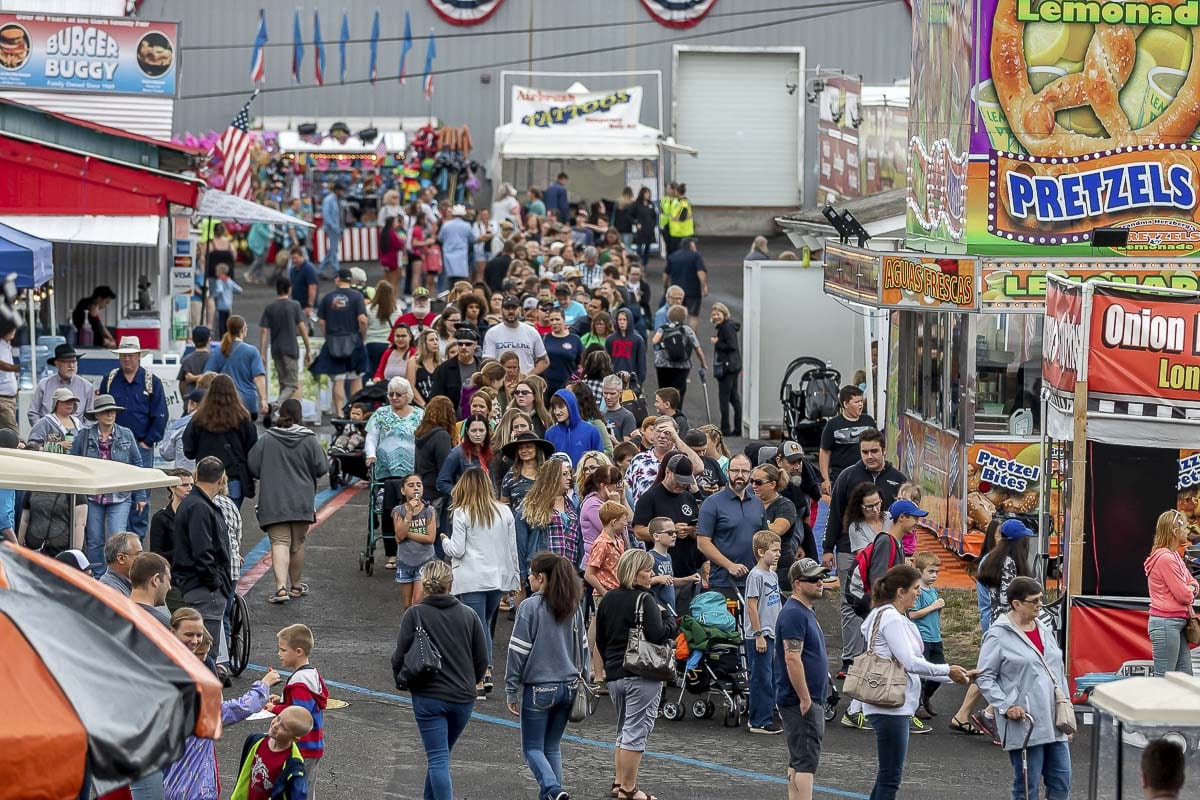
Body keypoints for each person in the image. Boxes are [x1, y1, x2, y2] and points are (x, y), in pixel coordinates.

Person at [861, 565, 969, 800]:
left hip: (888, 704)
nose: (919, 593)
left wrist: (952, 676)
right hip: (891, 706)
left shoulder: (884, 615)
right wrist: (948, 670)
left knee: (887, 776)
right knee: (890, 778)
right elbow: (910, 662)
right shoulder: (893, 620)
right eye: (916, 588)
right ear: (901, 591)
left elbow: (915, 663)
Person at [392, 560, 488, 800]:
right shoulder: (469, 615)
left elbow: (399, 655)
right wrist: (471, 681)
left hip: (428, 695)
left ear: (424, 585)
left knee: (437, 757)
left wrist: (402, 680)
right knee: (441, 755)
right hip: (463, 697)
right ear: (451, 583)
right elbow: (482, 658)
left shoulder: (414, 614)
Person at [163, 608, 282, 800]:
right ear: (172, 632)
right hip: (191, 785)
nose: (194, 640)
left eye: (198, 635)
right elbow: (229, 711)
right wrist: (264, 685)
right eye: (188, 634)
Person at [976, 577, 1072, 800]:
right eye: (1035, 601)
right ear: (1017, 604)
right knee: (1027, 788)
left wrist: (1066, 709)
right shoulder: (998, 634)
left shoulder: (1043, 627)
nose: (1040, 605)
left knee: (1061, 783)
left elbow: (1057, 670)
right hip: (1026, 721)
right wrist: (1006, 705)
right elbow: (985, 677)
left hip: (1054, 718)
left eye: (1041, 599)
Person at [505, 551, 588, 800]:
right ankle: (554, 793)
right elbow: (582, 647)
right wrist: (584, 679)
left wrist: (511, 688)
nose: (528, 579)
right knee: (552, 747)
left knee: (532, 748)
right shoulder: (574, 606)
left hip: (540, 688)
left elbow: (517, 651)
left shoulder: (530, 607)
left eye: (531, 574)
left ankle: (553, 789)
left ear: (540, 577)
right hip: (570, 685)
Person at [595, 548, 677, 800]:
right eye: (648, 569)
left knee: (623, 730)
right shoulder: (646, 599)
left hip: (616, 673)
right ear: (635, 571)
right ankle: (629, 790)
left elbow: (600, 638)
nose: (651, 574)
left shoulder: (608, 599)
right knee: (635, 732)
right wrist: (671, 622)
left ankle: (619, 783)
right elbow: (658, 634)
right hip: (641, 672)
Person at [440, 467, 520, 697]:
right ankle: (484, 670)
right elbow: (512, 547)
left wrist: (444, 540)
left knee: (478, 626)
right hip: (498, 578)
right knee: (483, 623)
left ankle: (483, 673)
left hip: (472, 578)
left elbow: (457, 549)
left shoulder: (462, 513)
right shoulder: (504, 511)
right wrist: (514, 578)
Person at [248, 399, 328, 604]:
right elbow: (321, 467)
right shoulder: (309, 439)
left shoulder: (267, 438)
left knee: (279, 542)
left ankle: (280, 588)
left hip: (274, 500)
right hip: (302, 500)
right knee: (298, 544)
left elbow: (253, 465)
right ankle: (296, 585)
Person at [98, 336, 168, 537]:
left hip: (140, 444)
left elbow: (161, 414)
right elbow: (102, 409)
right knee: (113, 491)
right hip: (112, 445)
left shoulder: (151, 381)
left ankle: (136, 538)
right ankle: (117, 536)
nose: (127, 359)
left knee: (141, 493)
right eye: (124, 356)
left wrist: (147, 442)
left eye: (131, 355)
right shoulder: (110, 380)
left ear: (138, 356)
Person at [776, 557, 832, 800]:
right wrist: (805, 698)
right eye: (814, 579)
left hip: (803, 697)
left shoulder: (803, 611)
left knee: (798, 758)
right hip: (801, 699)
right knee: (806, 762)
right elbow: (792, 658)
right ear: (797, 584)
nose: (821, 582)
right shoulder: (795, 614)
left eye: (821, 577)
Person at [171, 457, 233, 674]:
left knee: (199, 650)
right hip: (204, 588)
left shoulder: (192, 504)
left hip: (196, 585)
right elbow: (203, 551)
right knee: (205, 651)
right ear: (221, 479)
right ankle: (209, 703)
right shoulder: (200, 507)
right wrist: (216, 582)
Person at [70, 395, 146, 570]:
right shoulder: (84, 434)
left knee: (117, 540)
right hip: (92, 494)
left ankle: (116, 576)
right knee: (94, 540)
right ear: (96, 415)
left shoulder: (126, 433)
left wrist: (140, 495)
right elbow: (73, 462)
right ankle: (97, 577)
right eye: (105, 411)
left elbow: (137, 464)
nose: (109, 414)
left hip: (120, 494)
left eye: (112, 411)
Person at [822, 429, 907, 583]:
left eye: (874, 451)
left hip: (886, 552)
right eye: (864, 452)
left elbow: (905, 520)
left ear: (884, 450)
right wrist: (828, 549)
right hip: (848, 550)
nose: (869, 456)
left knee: (883, 597)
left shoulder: (898, 479)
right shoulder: (847, 476)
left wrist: (906, 551)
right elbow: (834, 513)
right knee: (849, 602)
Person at [267, 623, 330, 794]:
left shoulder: (299, 683)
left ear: (299, 652)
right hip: (313, 744)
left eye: (283, 650)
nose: (279, 654)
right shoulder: (310, 674)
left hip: (304, 746)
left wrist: (275, 709)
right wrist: (281, 701)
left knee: (299, 792)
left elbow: (298, 714)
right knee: (305, 788)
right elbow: (303, 703)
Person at [697, 454, 765, 594]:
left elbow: (765, 539)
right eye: (735, 471)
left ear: (750, 474)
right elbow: (702, 543)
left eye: (745, 471)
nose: (739, 475)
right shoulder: (712, 503)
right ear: (727, 472)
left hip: (755, 581)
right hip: (724, 582)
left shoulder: (757, 503)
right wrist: (729, 565)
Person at [1145, 509, 1199, 675]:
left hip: (1173, 624)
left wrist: (1191, 588)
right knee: (1165, 679)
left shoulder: (1173, 556)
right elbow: (1184, 595)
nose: (1187, 531)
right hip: (1167, 623)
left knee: (1183, 677)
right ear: (1175, 531)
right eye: (1184, 528)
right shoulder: (1166, 558)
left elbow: (1193, 583)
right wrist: (1191, 589)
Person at [310, 268, 369, 417]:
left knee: (339, 379)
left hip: (333, 342)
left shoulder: (328, 297)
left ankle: (339, 413)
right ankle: (356, 412)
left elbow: (321, 322)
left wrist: (327, 336)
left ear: (337, 279)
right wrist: (363, 335)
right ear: (350, 280)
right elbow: (362, 319)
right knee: (356, 378)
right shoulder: (357, 296)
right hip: (354, 340)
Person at [745, 530, 784, 735]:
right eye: (774, 550)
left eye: (779, 550)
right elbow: (752, 606)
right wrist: (758, 634)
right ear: (761, 552)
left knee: (770, 677)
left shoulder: (772, 575)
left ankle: (766, 714)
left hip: (772, 634)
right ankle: (759, 720)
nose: (778, 554)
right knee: (761, 678)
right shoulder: (756, 576)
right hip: (759, 636)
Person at [229, 706, 314, 800]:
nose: (275, 725)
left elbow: (298, 795)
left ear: (294, 739)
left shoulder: (294, 765)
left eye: (283, 727)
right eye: (278, 718)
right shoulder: (256, 740)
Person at [204, 317, 269, 421]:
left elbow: (207, 375)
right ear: (243, 330)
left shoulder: (218, 351)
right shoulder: (252, 351)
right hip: (248, 403)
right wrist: (264, 400)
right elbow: (259, 377)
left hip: (224, 401)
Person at [390, 473, 438, 612]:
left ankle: (419, 630)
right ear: (403, 490)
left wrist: (406, 533)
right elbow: (399, 536)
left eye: (419, 485)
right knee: (407, 605)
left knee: (417, 602)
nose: (416, 488)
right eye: (411, 485)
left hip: (425, 560)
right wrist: (410, 512)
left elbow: (430, 538)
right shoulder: (398, 511)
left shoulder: (430, 511)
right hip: (405, 561)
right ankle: (410, 629)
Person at [820, 385, 879, 496]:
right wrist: (825, 479)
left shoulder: (869, 421)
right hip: (841, 477)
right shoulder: (833, 425)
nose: (861, 404)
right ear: (846, 404)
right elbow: (825, 452)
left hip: (867, 476)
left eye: (861, 401)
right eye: (857, 402)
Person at [261, 277, 311, 403]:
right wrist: (308, 348)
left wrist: (262, 352)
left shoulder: (270, 307)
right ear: (289, 289)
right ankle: (276, 405)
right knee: (292, 385)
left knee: (283, 383)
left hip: (276, 349)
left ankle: (282, 414)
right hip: (290, 349)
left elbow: (264, 331)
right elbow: (302, 328)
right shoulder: (294, 305)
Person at [909, 552, 947, 719]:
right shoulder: (918, 592)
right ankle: (917, 704)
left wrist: (938, 609)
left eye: (936, 572)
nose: (934, 576)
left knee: (940, 672)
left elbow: (935, 614)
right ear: (919, 571)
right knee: (922, 674)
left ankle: (926, 697)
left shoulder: (932, 591)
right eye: (930, 572)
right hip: (922, 638)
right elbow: (913, 614)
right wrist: (933, 606)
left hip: (935, 637)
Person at [978, 518, 1036, 626]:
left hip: (993, 621)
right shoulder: (1008, 563)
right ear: (1019, 541)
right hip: (1007, 625)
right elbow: (1006, 601)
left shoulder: (992, 559)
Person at [365, 376, 425, 481]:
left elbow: (426, 439)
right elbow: (371, 437)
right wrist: (371, 455)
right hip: (386, 466)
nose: (394, 397)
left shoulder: (420, 414)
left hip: (413, 466)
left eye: (398, 394)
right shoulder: (380, 413)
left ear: (407, 396)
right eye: (391, 394)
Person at [29, 343, 94, 427]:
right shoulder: (44, 385)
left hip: (76, 435)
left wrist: (81, 435)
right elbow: (33, 413)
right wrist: (42, 430)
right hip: (49, 435)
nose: (71, 366)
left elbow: (91, 418)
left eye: (74, 361)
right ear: (56, 364)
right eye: (66, 362)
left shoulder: (87, 386)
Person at [652, 304, 706, 405]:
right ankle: (676, 414)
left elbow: (655, 340)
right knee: (678, 392)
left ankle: (664, 414)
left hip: (663, 365)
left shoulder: (663, 328)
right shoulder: (687, 329)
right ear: (684, 316)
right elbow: (697, 348)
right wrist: (703, 363)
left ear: (669, 316)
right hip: (682, 365)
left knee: (664, 391)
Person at [483, 295, 549, 375]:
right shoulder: (492, 333)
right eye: (507, 308)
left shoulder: (531, 331)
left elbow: (544, 361)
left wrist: (528, 377)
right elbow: (488, 361)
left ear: (520, 310)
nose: (511, 311)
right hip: (501, 382)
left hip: (525, 383)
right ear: (501, 310)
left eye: (514, 308)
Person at [415, 396, 458, 507]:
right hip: (438, 495)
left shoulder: (421, 434)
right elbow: (445, 469)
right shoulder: (441, 436)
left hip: (424, 492)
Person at [437, 414, 493, 497]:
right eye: (474, 431)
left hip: (486, 503)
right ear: (467, 431)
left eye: (481, 430)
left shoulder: (488, 453)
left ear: (486, 431)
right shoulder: (457, 453)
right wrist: (462, 495)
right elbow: (441, 483)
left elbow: (493, 482)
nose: (478, 434)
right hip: (465, 505)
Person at [430, 326, 482, 412]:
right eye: (460, 344)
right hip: (453, 418)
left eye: (468, 344)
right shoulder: (444, 368)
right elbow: (436, 397)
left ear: (475, 345)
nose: (464, 347)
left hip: (479, 416)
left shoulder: (482, 367)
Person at [546, 388, 602, 468]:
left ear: (571, 405)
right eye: (554, 408)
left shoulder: (592, 431)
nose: (557, 412)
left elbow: (600, 461)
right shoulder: (550, 433)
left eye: (561, 407)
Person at [709, 303, 743, 437]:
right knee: (734, 397)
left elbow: (732, 345)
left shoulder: (726, 327)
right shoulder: (728, 326)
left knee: (724, 398)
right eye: (714, 314)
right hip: (733, 366)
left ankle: (725, 428)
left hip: (727, 368)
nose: (716, 316)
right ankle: (737, 428)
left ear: (724, 314)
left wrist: (717, 342)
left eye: (718, 314)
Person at [150, 467, 192, 565]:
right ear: (172, 487)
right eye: (185, 485)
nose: (190, 488)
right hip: (171, 571)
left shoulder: (198, 514)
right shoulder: (160, 518)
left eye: (192, 485)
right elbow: (156, 555)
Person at [663, 237, 708, 329]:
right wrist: (704, 286)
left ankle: (676, 333)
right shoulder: (696, 256)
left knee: (676, 314)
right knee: (693, 315)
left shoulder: (672, 256)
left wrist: (666, 286)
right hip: (693, 291)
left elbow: (665, 274)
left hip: (676, 292)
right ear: (691, 245)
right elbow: (700, 272)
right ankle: (691, 337)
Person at [541, 308, 583, 399]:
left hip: (568, 386)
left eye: (557, 319)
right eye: (552, 320)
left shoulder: (575, 339)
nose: (554, 322)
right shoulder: (545, 338)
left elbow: (581, 365)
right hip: (547, 386)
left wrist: (575, 381)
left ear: (564, 320)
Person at [439, 205, 477, 289]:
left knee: (448, 279)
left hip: (448, 255)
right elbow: (473, 239)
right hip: (461, 256)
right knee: (461, 280)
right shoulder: (467, 225)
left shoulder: (446, 225)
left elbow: (440, 238)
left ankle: (446, 297)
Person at [130, 551, 172, 626]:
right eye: (168, 580)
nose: (169, 587)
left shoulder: (116, 614)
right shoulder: (161, 624)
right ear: (155, 580)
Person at [97, 531, 142, 597]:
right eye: (138, 554)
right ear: (121, 558)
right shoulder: (110, 590)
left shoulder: (129, 584)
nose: (143, 559)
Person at [407, 328, 442, 406]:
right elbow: (410, 386)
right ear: (424, 343)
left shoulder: (442, 362)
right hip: (419, 405)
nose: (435, 342)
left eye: (436, 340)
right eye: (431, 340)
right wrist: (424, 405)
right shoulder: (413, 361)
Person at [319, 182, 347, 279]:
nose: (343, 193)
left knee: (332, 250)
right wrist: (334, 227)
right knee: (334, 251)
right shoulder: (329, 200)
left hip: (337, 228)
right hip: (332, 228)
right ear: (337, 190)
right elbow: (326, 216)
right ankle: (337, 272)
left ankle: (321, 269)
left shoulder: (338, 200)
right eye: (342, 191)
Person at [177, 326, 213, 398]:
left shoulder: (186, 360)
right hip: (209, 400)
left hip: (190, 400)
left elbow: (182, 384)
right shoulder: (213, 358)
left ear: (193, 340)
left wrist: (185, 400)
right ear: (209, 340)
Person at [601, 375, 638, 443]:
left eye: (612, 394)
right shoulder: (597, 413)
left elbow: (628, 448)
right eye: (605, 393)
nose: (608, 397)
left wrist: (615, 442)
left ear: (620, 394)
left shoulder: (627, 416)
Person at [380, 212, 408, 295]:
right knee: (394, 282)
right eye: (396, 222)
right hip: (393, 260)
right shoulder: (392, 234)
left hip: (385, 260)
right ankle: (393, 300)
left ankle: (385, 299)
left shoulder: (383, 233)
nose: (398, 223)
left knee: (386, 281)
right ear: (391, 223)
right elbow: (399, 245)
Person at [211, 262, 243, 334]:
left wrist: (213, 295)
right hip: (228, 305)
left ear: (220, 272)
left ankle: (221, 336)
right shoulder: (229, 280)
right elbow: (239, 290)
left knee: (221, 322)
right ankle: (227, 334)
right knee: (227, 322)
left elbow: (220, 290)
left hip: (221, 305)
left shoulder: (219, 281)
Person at [287, 246, 320, 317]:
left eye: (296, 258)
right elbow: (291, 286)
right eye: (292, 258)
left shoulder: (309, 269)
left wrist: (310, 305)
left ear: (302, 256)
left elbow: (312, 287)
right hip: (297, 306)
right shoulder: (293, 270)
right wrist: (286, 300)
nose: (294, 260)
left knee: (308, 326)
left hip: (307, 307)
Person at [631, 187, 657, 267]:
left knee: (647, 247)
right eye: (646, 193)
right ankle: (637, 263)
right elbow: (630, 215)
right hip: (641, 229)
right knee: (639, 247)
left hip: (649, 229)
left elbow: (654, 216)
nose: (648, 195)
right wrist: (636, 223)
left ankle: (644, 264)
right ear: (642, 194)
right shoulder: (636, 204)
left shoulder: (651, 204)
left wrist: (653, 224)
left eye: (649, 193)